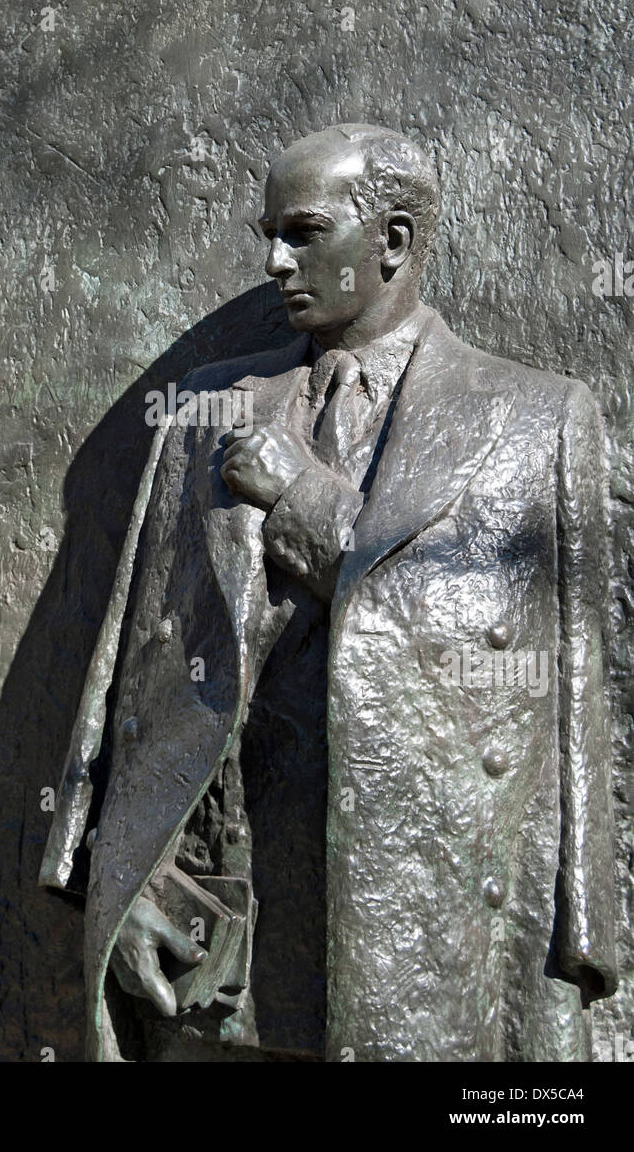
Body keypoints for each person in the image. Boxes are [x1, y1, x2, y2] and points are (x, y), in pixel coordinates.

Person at [40, 123, 617, 1062]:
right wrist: (119, 875)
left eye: (303, 232)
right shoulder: (204, 412)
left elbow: (538, 678)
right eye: (269, 233)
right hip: (230, 925)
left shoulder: (536, 418)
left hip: (428, 918)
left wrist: (581, 932)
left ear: (391, 240)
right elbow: (137, 657)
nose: (274, 260)